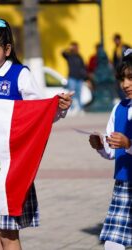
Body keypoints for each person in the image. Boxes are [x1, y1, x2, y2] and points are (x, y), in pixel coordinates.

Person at [0, 18, 73, 250]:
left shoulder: (20, 75)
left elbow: (38, 115)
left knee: (9, 236)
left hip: (12, 169)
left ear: (7, 50)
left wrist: (57, 108)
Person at [89, 48, 132, 250]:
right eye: (122, 79)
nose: (125, 85)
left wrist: (129, 144)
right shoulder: (119, 108)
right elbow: (112, 150)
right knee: (113, 243)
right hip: (124, 183)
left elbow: (125, 145)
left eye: (131, 78)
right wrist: (101, 146)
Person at [62, 42, 87, 115]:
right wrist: (68, 48)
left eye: (76, 47)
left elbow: (83, 67)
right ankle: (71, 108)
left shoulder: (79, 56)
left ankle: (80, 109)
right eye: (74, 47)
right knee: (71, 94)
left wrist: (84, 77)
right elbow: (62, 53)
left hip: (79, 78)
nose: (76, 48)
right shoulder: (69, 55)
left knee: (79, 94)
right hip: (72, 77)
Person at [112, 34, 130, 99]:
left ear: (119, 39)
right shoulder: (115, 49)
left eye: (115, 40)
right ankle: (123, 98)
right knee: (119, 85)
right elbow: (114, 61)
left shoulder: (125, 47)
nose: (115, 42)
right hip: (119, 70)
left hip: (126, 69)